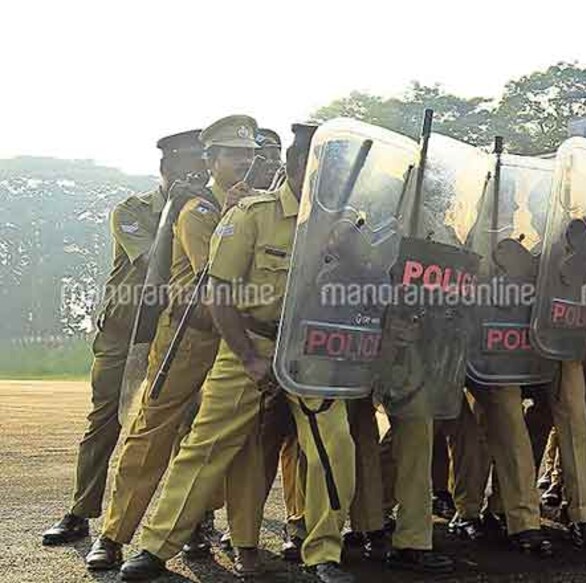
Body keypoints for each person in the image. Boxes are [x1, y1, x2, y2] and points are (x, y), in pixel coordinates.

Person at [117, 117, 363, 583]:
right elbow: (218, 293)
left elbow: (365, 286)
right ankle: (154, 547)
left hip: (312, 350)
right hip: (249, 343)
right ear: (296, 168)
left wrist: (349, 249)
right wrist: (249, 357)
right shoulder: (252, 215)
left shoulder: (347, 221)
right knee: (206, 444)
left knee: (334, 445)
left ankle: (324, 553)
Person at [86, 118, 259, 570]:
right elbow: (220, 275)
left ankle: (233, 540)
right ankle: (113, 536)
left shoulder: (252, 208)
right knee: (150, 437)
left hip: (233, 341)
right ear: (211, 162)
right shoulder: (198, 211)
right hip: (188, 336)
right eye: (232, 155)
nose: (243, 163)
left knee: (233, 441)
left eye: (248, 155)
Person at [41, 130, 205, 547]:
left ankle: (194, 524)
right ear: (165, 169)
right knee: (106, 419)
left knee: (187, 425)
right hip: (123, 332)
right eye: (187, 167)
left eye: (201, 169)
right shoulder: (132, 211)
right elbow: (154, 259)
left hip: (175, 333)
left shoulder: (207, 212)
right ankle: (80, 513)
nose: (196, 176)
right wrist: (178, 213)